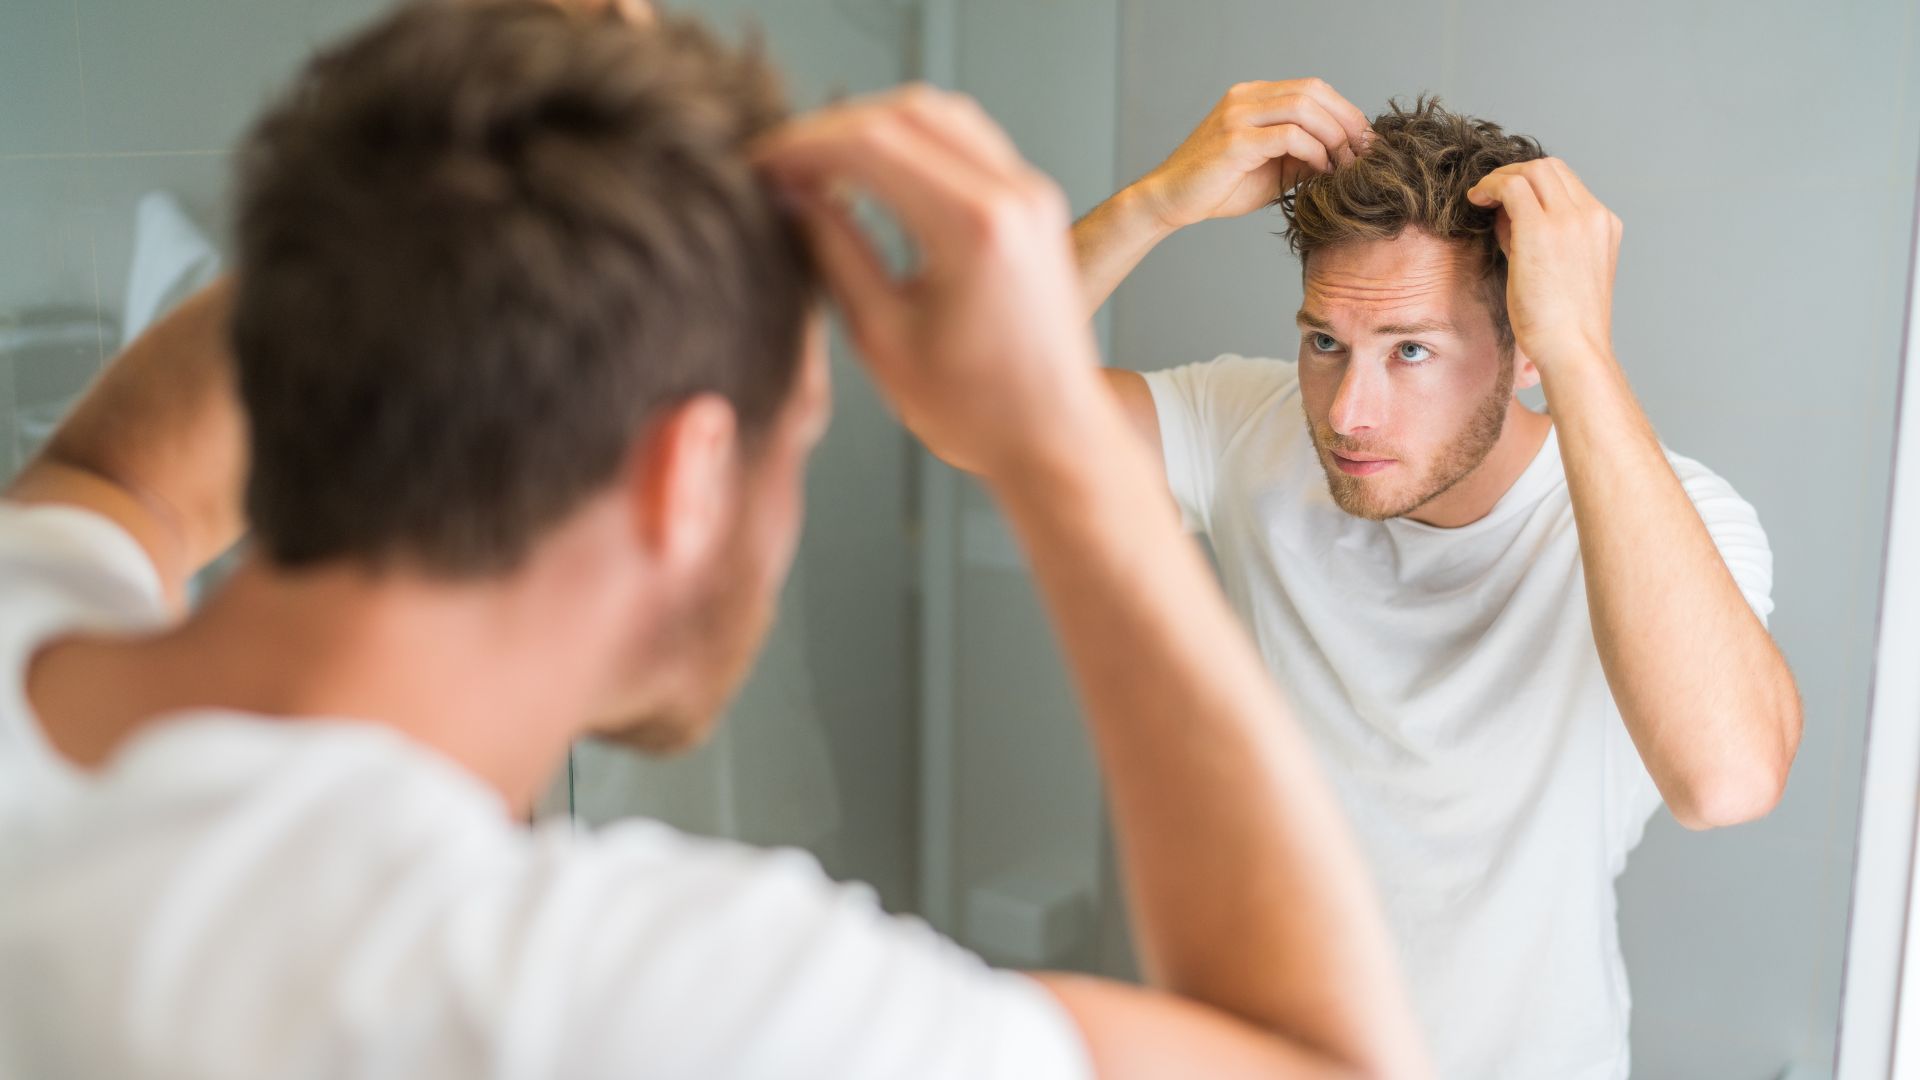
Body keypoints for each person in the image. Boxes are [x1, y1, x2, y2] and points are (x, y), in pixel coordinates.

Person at [0, 3, 1431, 1077]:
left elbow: (119, 470)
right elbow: (1325, 1059)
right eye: (798, 432)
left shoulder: (26, 625)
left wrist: (500, 141)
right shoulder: (617, 999)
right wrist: (1049, 439)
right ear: (686, 473)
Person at [1074, 85, 1803, 1078]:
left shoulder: (1674, 517)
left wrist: (1579, 347)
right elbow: (969, 408)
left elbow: (1726, 780)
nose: (1348, 414)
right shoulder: (1253, 427)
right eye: (1327, 343)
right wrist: (1151, 203)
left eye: (1410, 350)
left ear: (1526, 352)